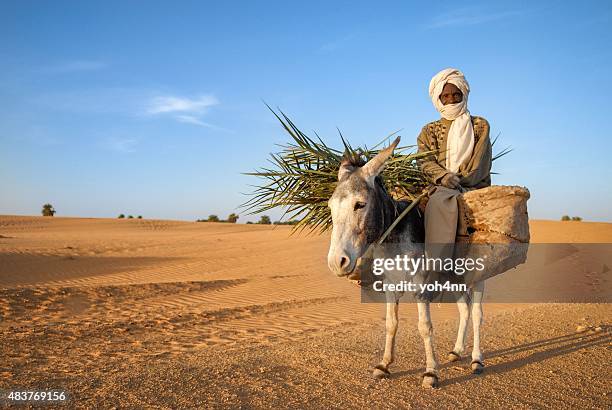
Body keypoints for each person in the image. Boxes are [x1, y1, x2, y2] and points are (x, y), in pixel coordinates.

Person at [416, 68, 492, 264]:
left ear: (464, 95)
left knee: (440, 200)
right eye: (446, 96)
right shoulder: (428, 130)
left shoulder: (480, 125)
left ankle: (436, 267)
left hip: (472, 185)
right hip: (438, 184)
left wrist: (458, 181)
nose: (451, 100)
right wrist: (444, 177)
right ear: (438, 99)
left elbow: (480, 164)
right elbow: (424, 162)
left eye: (456, 95)